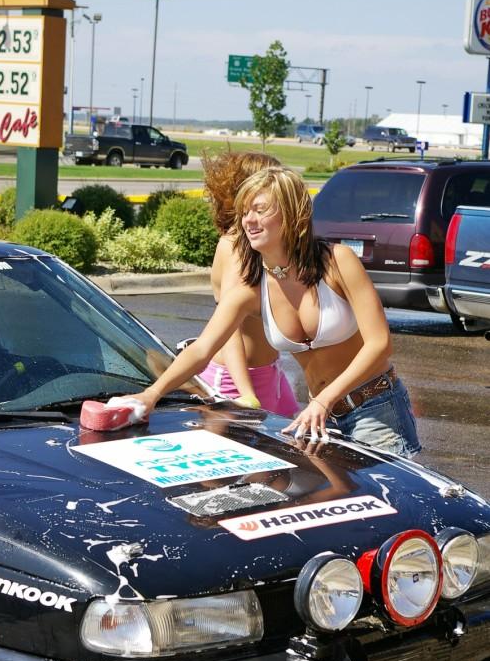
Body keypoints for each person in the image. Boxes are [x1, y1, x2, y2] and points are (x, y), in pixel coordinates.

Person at [117, 166, 420, 458]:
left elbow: (380, 344)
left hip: (375, 409)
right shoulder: (251, 290)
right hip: (317, 416)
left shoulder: (337, 263)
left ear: (291, 214)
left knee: (393, 504)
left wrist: (325, 401)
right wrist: (151, 395)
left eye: (260, 210)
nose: (249, 220)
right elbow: (201, 350)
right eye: (245, 212)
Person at [198, 150, 299, 416]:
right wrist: (247, 394)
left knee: (295, 449)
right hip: (236, 382)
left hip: (270, 374)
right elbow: (229, 328)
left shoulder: (261, 244)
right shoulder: (235, 245)